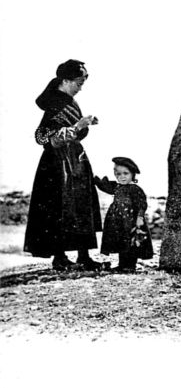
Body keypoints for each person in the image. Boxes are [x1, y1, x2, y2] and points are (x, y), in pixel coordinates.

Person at [24, 59, 103, 270]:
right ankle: (59, 256)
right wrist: (79, 126)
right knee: (59, 206)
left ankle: (83, 255)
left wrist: (83, 125)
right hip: (57, 162)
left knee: (80, 203)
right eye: (78, 83)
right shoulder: (54, 104)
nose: (80, 88)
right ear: (65, 81)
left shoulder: (68, 102)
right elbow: (46, 138)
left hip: (75, 159)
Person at [94, 157, 153, 272]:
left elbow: (142, 204)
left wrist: (140, 217)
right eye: (118, 174)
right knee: (121, 242)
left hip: (131, 221)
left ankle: (130, 266)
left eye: (126, 173)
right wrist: (95, 180)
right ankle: (122, 264)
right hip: (117, 221)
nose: (122, 177)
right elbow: (105, 187)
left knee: (131, 242)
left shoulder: (135, 189)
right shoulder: (117, 187)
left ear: (133, 174)